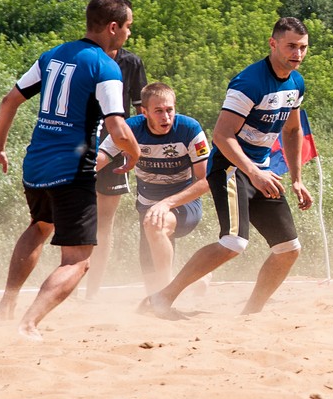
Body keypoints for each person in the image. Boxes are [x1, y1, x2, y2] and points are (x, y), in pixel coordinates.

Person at [0, 0, 141, 340]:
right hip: (73, 170)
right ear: (113, 27)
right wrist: (135, 152)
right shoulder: (106, 67)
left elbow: (9, 100)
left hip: (35, 165)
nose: (128, 34)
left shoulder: (52, 56)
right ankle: (28, 323)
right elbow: (117, 127)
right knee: (79, 260)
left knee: (40, 226)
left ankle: (6, 306)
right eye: (127, 27)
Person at [141, 17, 314, 318]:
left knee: (289, 249)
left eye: (302, 48)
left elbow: (292, 131)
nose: (297, 54)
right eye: (290, 46)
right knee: (234, 243)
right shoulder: (249, 83)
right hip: (232, 169)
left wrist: (297, 179)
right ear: (273, 44)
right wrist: (253, 172)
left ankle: (250, 315)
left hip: (261, 171)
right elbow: (221, 135)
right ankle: (162, 298)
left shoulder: (296, 82)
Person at [96, 81, 210, 294]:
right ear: (145, 112)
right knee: (151, 277)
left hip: (184, 204)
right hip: (147, 205)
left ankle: (167, 295)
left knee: (156, 226)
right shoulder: (130, 129)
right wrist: (74, 178)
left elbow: (205, 180)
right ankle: (194, 280)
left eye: (169, 110)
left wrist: (167, 204)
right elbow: (101, 157)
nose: (166, 117)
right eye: (158, 111)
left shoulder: (189, 129)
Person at [86, 46, 147, 299]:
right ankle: (67, 281)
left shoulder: (131, 61)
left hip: (115, 146)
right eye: (127, 26)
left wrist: (140, 151)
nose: (129, 32)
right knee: (71, 217)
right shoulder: (84, 58)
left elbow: (143, 112)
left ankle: (91, 292)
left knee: (104, 223)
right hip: (78, 143)